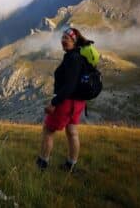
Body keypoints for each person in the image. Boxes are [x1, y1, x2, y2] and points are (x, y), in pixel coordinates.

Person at [36, 27, 92, 172]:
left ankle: (42, 163)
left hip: (67, 102)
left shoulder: (72, 58)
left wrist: (54, 103)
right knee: (72, 132)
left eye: (66, 38)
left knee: (48, 130)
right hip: (79, 103)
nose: (63, 40)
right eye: (62, 37)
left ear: (74, 41)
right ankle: (71, 164)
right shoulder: (79, 56)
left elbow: (70, 85)